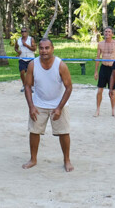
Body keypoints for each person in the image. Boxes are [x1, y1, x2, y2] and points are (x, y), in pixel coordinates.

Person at [22, 38, 74, 172]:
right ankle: (33, 159)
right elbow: (27, 86)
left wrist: (59, 108)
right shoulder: (33, 64)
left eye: (47, 48)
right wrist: (31, 106)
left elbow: (69, 87)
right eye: (41, 48)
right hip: (39, 103)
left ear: (52, 49)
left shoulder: (60, 65)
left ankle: (66, 160)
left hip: (59, 103)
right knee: (34, 131)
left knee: (64, 132)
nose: (44, 51)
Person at [94, 27, 115, 117]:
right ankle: (97, 110)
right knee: (99, 91)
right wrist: (96, 71)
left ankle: (113, 111)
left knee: (112, 92)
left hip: (113, 70)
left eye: (109, 32)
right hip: (103, 68)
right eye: (105, 31)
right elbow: (98, 58)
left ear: (112, 34)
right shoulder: (100, 44)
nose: (107, 33)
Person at [14, 27, 36, 93]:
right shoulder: (18, 40)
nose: (23, 33)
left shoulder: (31, 39)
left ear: (27, 32)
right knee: (22, 72)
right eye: (22, 31)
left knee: (31, 73)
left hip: (30, 58)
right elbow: (15, 48)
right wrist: (18, 51)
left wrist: (26, 45)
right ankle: (24, 85)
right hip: (22, 58)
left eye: (25, 31)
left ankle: (32, 86)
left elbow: (34, 49)